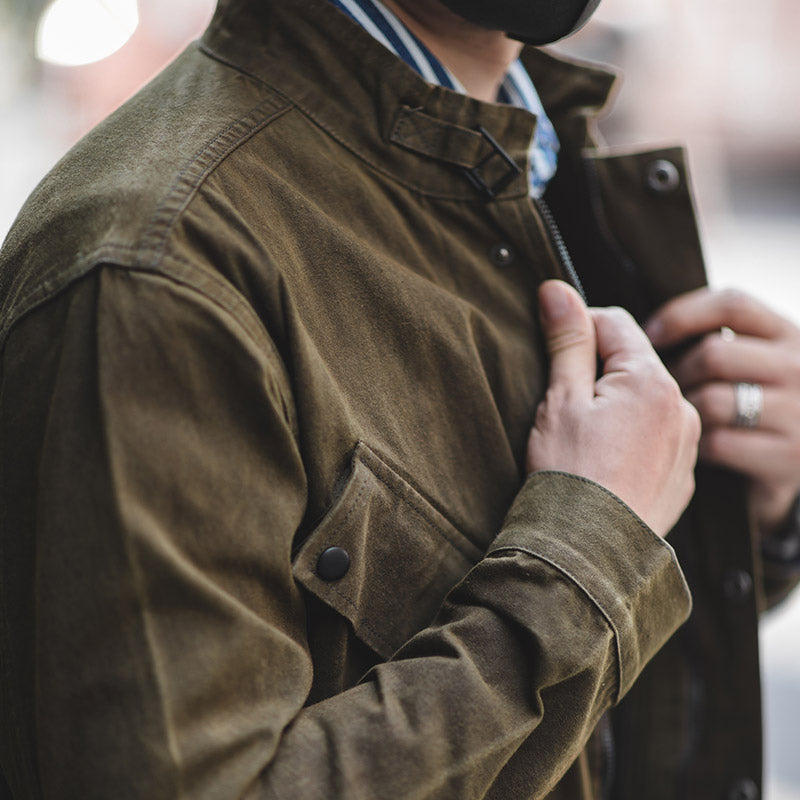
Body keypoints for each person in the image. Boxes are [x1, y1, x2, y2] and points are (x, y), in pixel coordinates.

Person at [0, 0, 798, 797]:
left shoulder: (526, 152)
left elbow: (596, 710)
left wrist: (747, 507)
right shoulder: (160, 271)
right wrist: (593, 547)